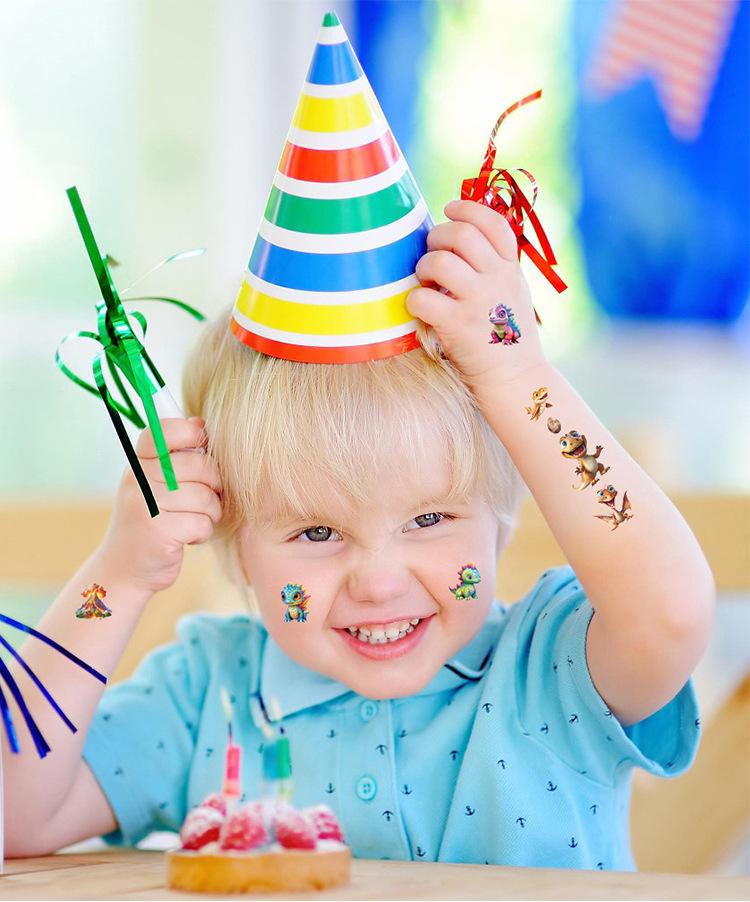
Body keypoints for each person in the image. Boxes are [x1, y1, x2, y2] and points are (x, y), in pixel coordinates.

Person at [4, 198, 714, 870]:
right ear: (232, 541)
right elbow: (15, 813)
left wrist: (516, 372)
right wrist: (119, 574)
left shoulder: (552, 670)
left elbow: (672, 615)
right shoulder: (206, 696)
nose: (378, 582)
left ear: (499, 519)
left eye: (429, 519)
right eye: (317, 531)